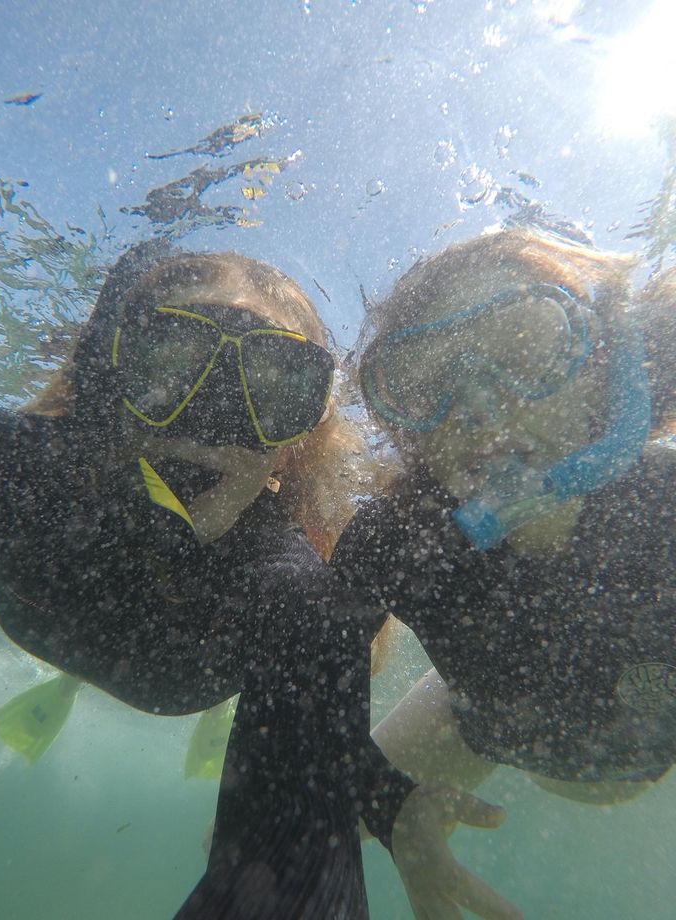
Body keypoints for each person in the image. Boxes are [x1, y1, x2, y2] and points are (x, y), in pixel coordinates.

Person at [0, 241, 409, 918]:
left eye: (271, 387)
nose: (213, 412)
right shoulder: (13, 469)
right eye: (171, 363)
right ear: (108, 381)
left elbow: (295, 880)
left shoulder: (297, 595)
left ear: (295, 440)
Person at [332, 227, 676, 919]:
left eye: (526, 343)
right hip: (476, 723)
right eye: (425, 385)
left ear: (605, 366)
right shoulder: (399, 541)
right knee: (304, 832)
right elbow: (305, 710)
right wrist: (387, 804)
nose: (483, 410)